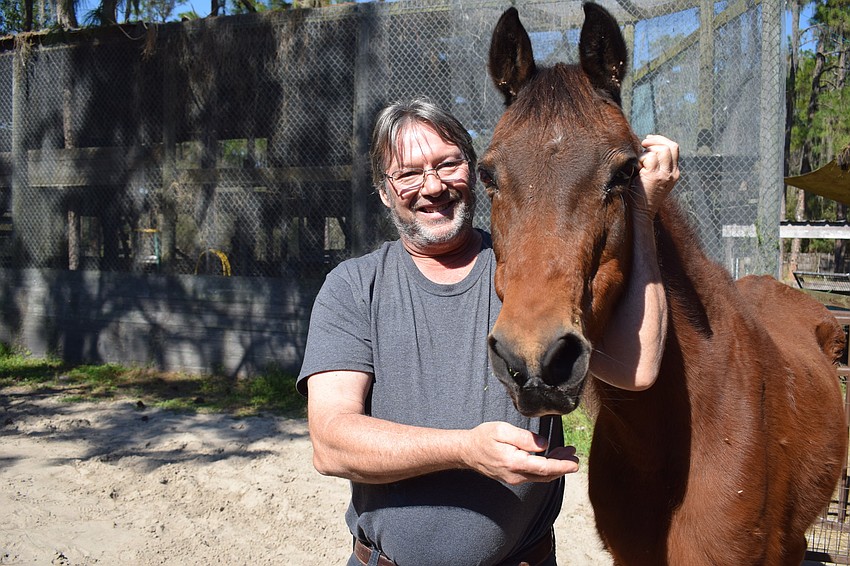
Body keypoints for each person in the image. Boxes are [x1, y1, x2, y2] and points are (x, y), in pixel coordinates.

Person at [296, 98, 679, 566]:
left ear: (474, 171)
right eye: (409, 174)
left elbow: (637, 369)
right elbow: (331, 443)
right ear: (384, 190)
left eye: (447, 164)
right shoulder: (355, 287)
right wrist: (466, 450)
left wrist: (642, 210)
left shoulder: (527, 271)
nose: (432, 186)